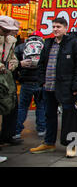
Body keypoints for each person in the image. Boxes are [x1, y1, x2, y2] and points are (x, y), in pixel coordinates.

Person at [30, 17, 77, 154]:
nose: (55, 29)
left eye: (59, 27)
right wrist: (41, 81)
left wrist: (76, 86)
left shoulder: (75, 44)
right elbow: (42, 64)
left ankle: (72, 146)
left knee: (70, 117)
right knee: (49, 115)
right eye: (54, 26)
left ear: (65, 28)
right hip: (48, 87)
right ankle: (49, 143)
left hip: (67, 88)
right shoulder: (48, 43)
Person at [13, 31, 46, 139]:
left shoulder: (21, 47)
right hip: (39, 82)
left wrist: (19, 78)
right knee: (41, 106)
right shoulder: (44, 46)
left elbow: (13, 64)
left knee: (22, 107)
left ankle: (17, 131)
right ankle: (41, 129)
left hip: (26, 82)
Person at [0, 15, 20, 163]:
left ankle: (6, 135)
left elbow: (12, 57)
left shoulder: (10, 41)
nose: (9, 33)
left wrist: (13, 63)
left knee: (10, 105)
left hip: (5, 78)